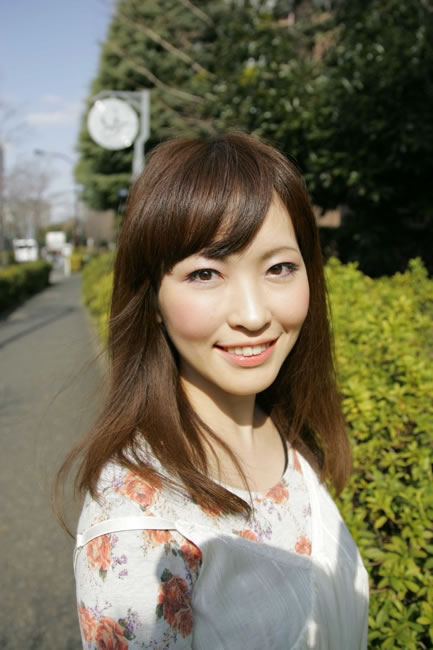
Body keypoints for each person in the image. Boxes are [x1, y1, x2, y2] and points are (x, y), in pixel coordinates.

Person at [59, 132, 369, 649]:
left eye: (280, 268)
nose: (253, 314)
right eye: (205, 273)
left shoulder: (286, 431)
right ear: (152, 298)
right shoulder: (137, 528)